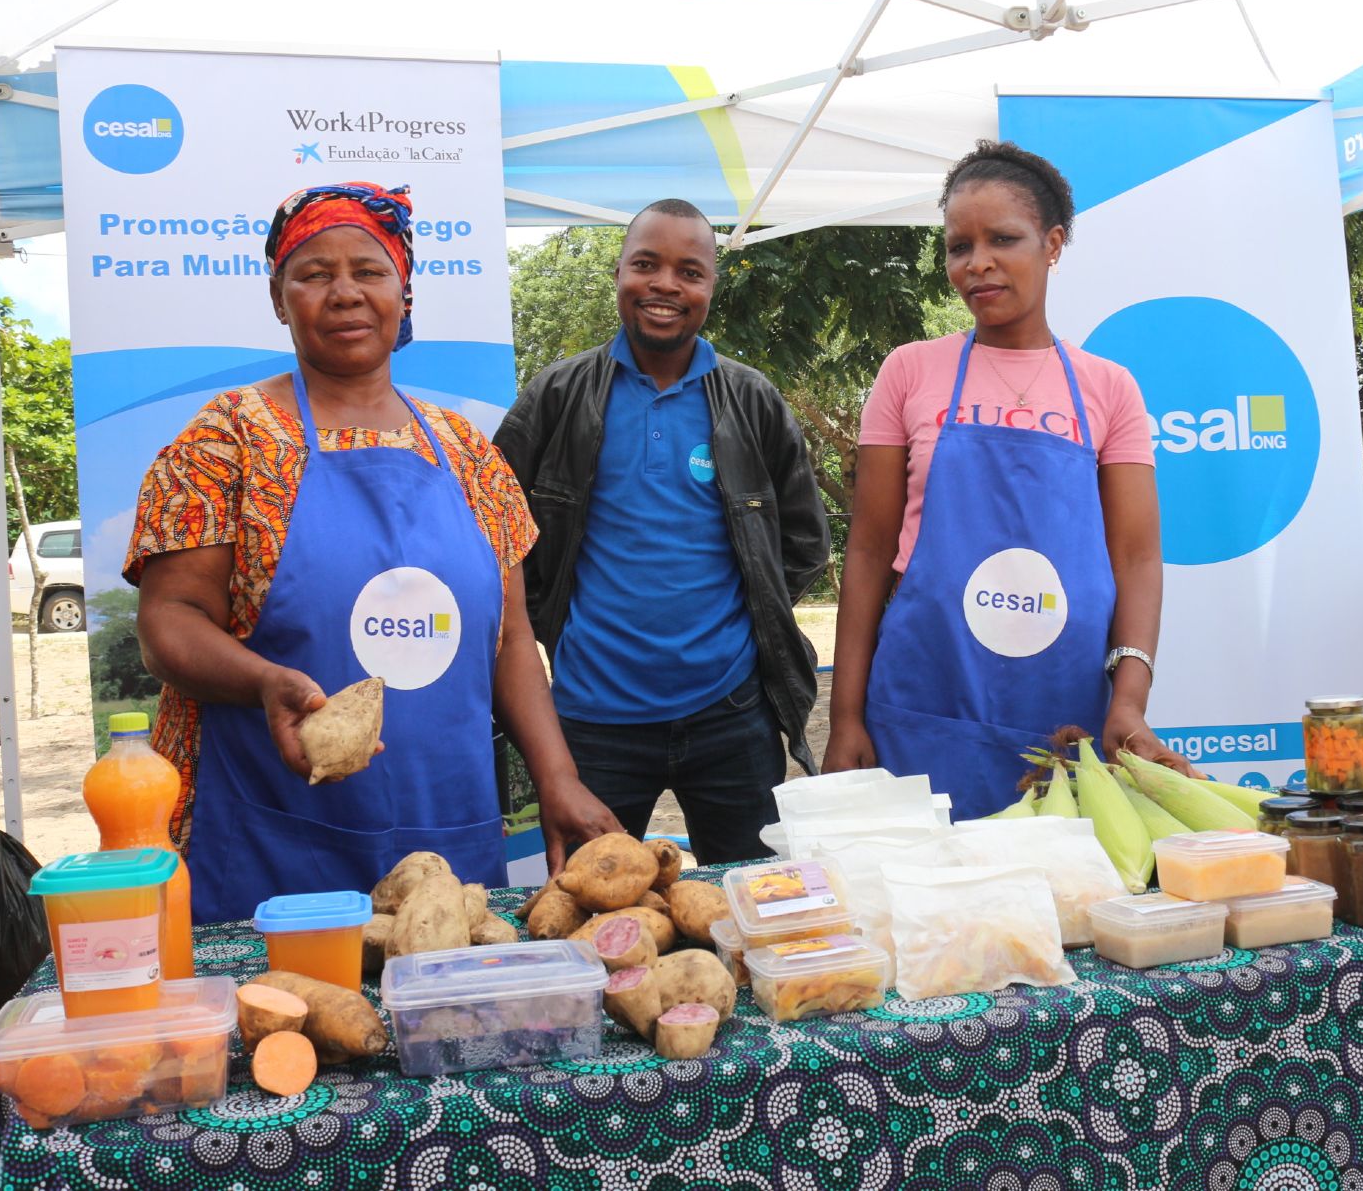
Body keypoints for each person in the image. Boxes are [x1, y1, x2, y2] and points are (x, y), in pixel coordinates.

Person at [129, 181, 620, 924]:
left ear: (406, 290)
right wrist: (264, 680)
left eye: (369, 270)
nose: (345, 292)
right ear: (277, 296)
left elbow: (512, 638)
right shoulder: (228, 438)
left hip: (443, 831)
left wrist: (557, 775)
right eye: (314, 274)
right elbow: (168, 618)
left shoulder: (466, 452)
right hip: (271, 833)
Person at [823, 141, 1189, 817]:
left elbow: (1136, 557)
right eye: (959, 246)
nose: (978, 262)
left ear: (1052, 244)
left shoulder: (1109, 388)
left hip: (1064, 708)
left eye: (1002, 238)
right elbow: (870, 549)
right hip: (924, 697)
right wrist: (846, 715)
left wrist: (1129, 700)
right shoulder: (909, 371)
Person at [495, 199, 829, 865]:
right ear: (617, 272)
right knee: (593, 919)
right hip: (592, 720)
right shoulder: (557, 395)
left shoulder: (751, 398)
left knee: (745, 913)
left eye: (689, 270)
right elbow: (497, 530)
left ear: (711, 286)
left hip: (732, 715)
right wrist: (551, 619)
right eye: (645, 264)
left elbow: (804, 542)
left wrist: (739, 620)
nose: (665, 285)